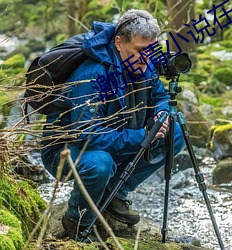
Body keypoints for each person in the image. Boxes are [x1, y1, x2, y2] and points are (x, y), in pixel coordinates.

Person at [41, 9, 185, 241]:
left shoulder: (142, 62)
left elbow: (159, 96)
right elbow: (87, 136)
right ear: (119, 42)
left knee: (175, 132)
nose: (147, 59)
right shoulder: (92, 75)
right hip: (67, 150)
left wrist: (161, 114)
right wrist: (142, 135)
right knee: (100, 164)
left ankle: (115, 193)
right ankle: (76, 221)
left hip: (116, 136)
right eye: (140, 51)